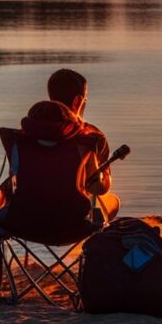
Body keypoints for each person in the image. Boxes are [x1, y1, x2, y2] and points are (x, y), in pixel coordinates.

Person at [46, 69, 120, 219]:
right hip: (72, 222)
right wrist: (105, 178)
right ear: (78, 102)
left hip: (27, 220)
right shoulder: (90, 139)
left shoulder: (23, 136)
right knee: (111, 203)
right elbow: (98, 188)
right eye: (85, 101)